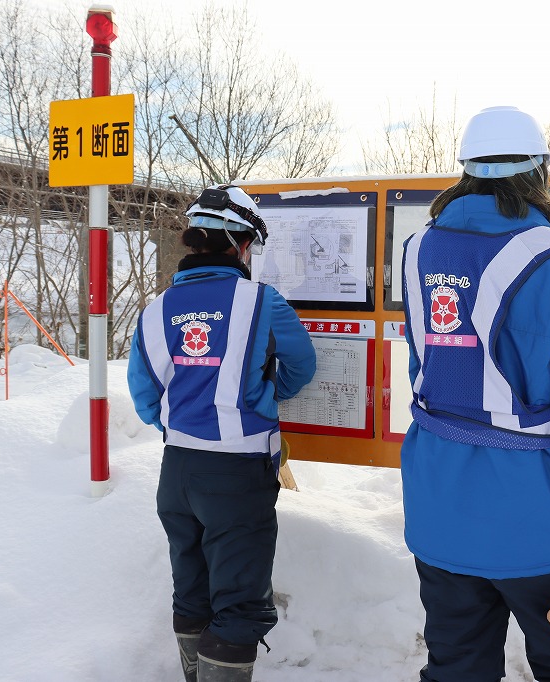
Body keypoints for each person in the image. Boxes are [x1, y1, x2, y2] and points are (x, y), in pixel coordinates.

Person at [400, 106, 550, 682]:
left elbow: (428, 364)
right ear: (539, 173)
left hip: (440, 510)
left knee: (456, 667)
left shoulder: (417, 252)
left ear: (465, 170)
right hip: (541, 523)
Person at [127, 184, 316, 682]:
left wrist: (179, 422)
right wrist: (262, 394)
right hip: (236, 471)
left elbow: (145, 395)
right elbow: (301, 365)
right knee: (239, 604)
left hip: (177, 470)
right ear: (242, 245)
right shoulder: (261, 303)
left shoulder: (153, 310)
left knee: (191, 589)